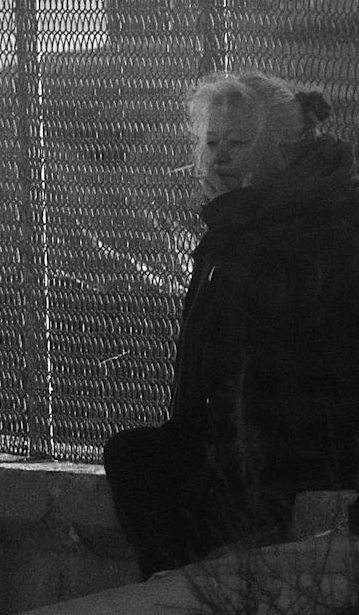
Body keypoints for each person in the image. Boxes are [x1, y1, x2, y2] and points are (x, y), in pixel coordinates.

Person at [103, 70, 359, 579]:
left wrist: (236, 221)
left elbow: (280, 304)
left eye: (239, 143)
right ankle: (171, 584)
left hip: (305, 441)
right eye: (212, 141)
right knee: (135, 457)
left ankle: (187, 585)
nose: (220, 157)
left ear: (284, 147)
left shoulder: (331, 214)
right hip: (234, 432)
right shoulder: (238, 218)